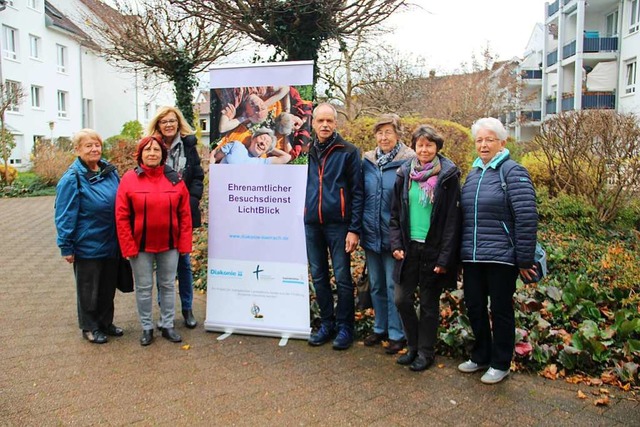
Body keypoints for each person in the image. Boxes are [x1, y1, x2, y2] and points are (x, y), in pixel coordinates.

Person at [458, 117, 538, 384]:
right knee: (475, 305)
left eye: (489, 139)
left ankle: (501, 362)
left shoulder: (513, 172)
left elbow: (526, 216)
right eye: (479, 139)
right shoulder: (474, 173)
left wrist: (524, 258)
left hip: (502, 256)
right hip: (473, 255)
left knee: (501, 309)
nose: (483, 144)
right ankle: (481, 355)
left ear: (502, 142)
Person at [389, 125, 461, 371]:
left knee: (429, 305)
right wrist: (396, 243)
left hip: (432, 249)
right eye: (420, 145)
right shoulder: (404, 173)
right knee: (401, 299)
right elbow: (395, 215)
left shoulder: (448, 177)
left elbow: (453, 220)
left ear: (437, 148)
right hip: (408, 249)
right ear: (414, 147)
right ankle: (413, 346)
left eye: (429, 145)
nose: (424, 149)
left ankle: (426, 352)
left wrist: (445, 257)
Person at [115, 136, 193, 346]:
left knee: (167, 285)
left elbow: (185, 214)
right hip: (140, 245)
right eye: (147, 150)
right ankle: (147, 327)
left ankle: (167, 325)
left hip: (170, 244)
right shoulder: (129, 179)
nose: (152, 153)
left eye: (156, 150)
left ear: (162, 155)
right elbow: (121, 215)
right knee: (143, 287)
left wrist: (185, 244)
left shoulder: (174, 178)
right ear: (140, 154)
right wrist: (128, 245)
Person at [54, 129, 123, 344]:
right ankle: (90, 327)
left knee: (107, 288)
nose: (94, 149)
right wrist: (66, 246)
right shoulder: (72, 178)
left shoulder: (109, 171)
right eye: (88, 145)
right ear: (77, 150)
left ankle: (105, 323)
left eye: (97, 145)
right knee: (88, 290)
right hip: (87, 244)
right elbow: (64, 214)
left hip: (111, 242)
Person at [305, 103, 364, 350]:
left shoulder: (348, 151)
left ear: (336, 124)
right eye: (321, 121)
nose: (325, 125)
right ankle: (327, 323)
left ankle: (345, 328)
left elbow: (358, 192)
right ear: (313, 123)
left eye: (329, 121)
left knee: (342, 277)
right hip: (311, 224)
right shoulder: (305, 151)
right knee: (318, 276)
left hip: (338, 225)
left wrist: (354, 229)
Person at [361, 114, 415, 355]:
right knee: (376, 286)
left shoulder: (409, 161)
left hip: (394, 236)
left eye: (388, 132)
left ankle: (397, 333)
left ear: (398, 135)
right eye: (380, 132)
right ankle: (380, 327)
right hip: (371, 234)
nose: (383, 137)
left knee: (394, 286)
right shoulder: (368, 161)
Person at [147, 106, 204, 329]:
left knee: (184, 263)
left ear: (178, 123)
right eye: (164, 122)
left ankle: (187, 309)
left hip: (183, 214)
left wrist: (191, 202)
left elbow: (198, 176)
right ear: (158, 125)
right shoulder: (151, 147)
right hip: (159, 216)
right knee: (162, 266)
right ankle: (165, 310)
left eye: (172, 121)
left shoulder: (189, 145)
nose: (169, 125)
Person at [211, 128, 291, 165]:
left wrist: (268, 148)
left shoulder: (263, 162)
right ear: (253, 138)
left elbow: (286, 157)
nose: (263, 142)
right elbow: (214, 158)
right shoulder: (236, 145)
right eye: (262, 138)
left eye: (267, 143)